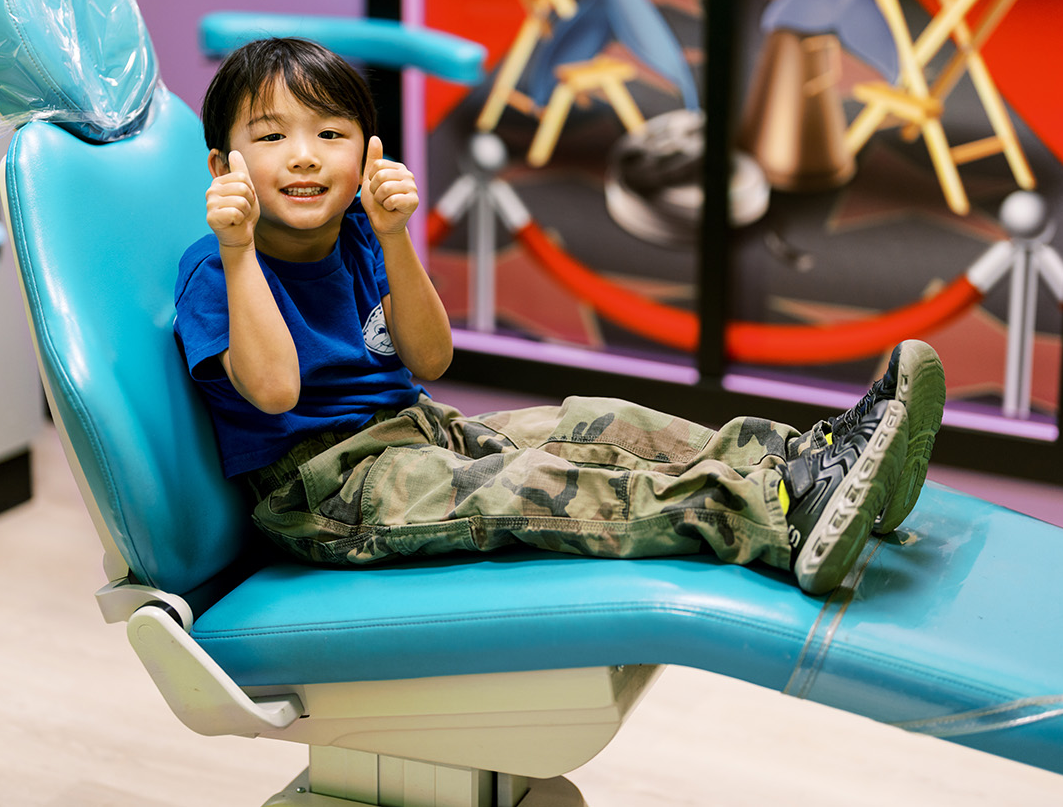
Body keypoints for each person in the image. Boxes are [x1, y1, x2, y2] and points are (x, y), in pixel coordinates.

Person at [173, 38, 946, 595]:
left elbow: (429, 360)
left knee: (598, 422)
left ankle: (807, 459)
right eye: (270, 137)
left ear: (367, 154)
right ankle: (775, 515)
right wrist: (239, 251)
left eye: (329, 134)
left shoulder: (361, 235)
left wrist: (394, 236)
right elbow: (275, 391)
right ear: (221, 166)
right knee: (539, 483)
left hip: (416, 427)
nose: (304, 155)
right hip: (326, 489)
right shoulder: (216, 270)